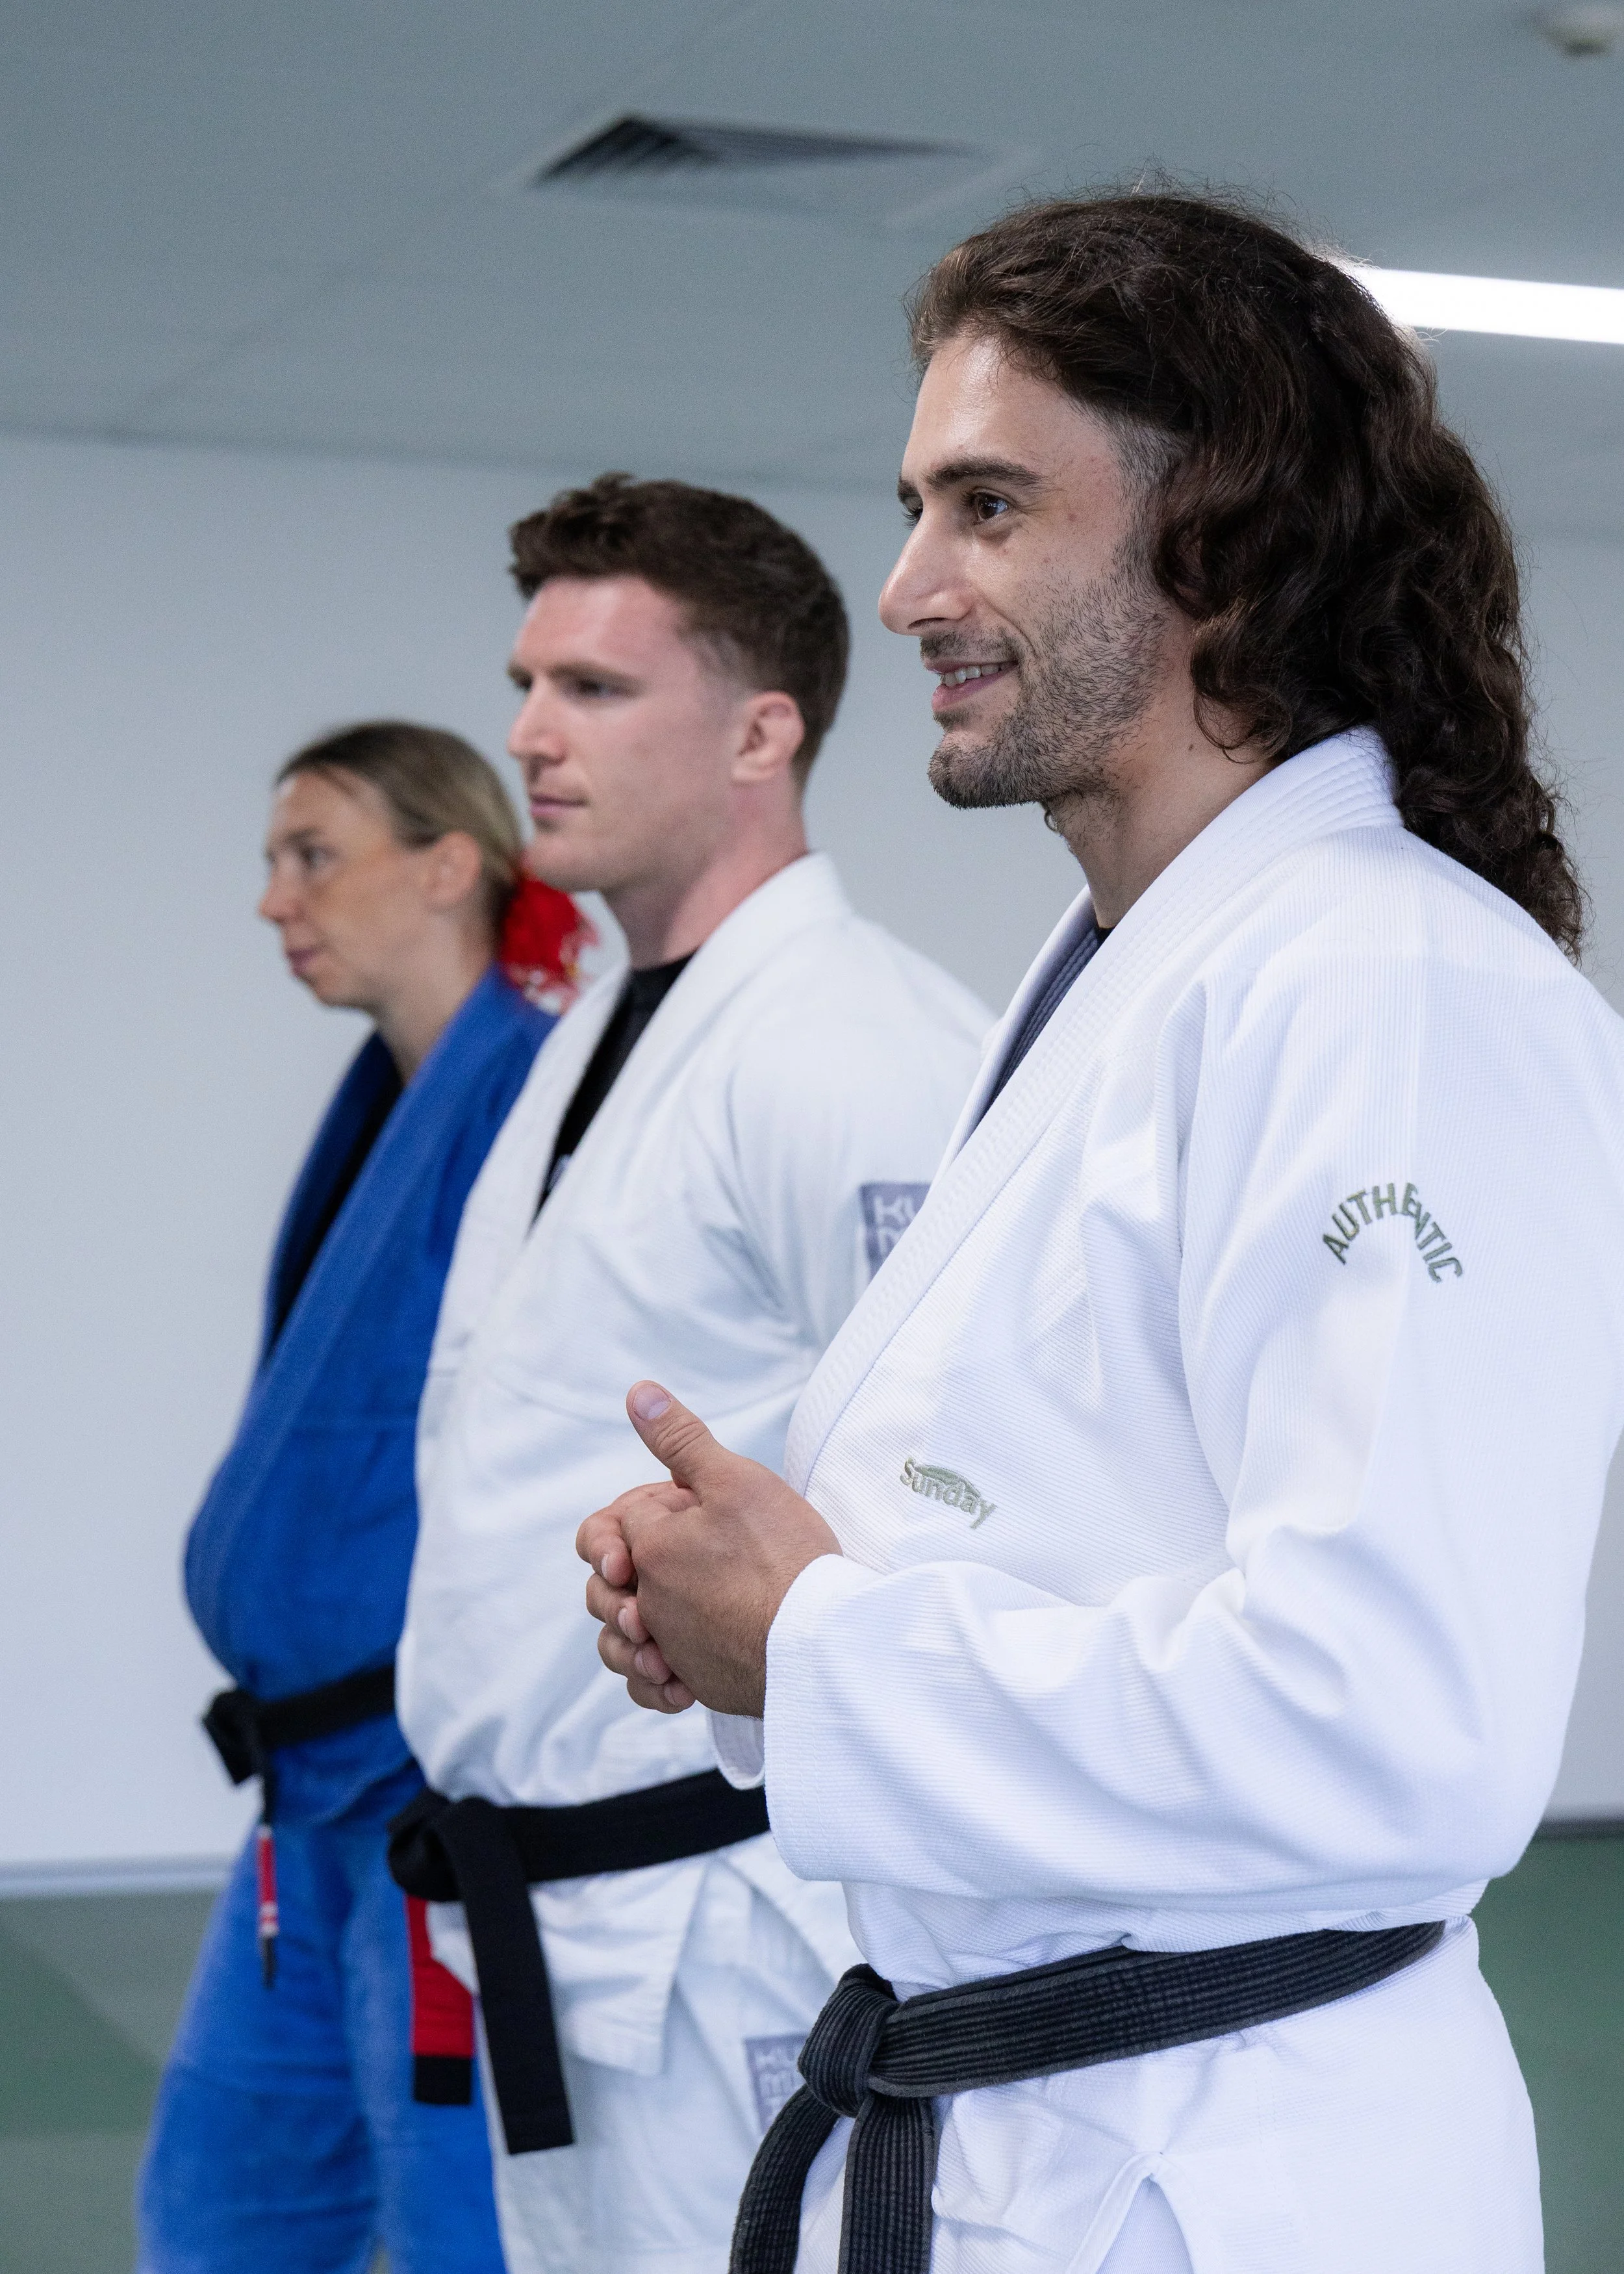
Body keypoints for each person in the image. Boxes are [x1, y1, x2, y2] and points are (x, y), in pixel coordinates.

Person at [579, 194, 1624, 2274]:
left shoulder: (1391, 989)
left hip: (1218, 2173)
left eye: (985, 506)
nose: (901, 591)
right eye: (915, 506)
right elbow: (1074, 1523)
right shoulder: (1123, 966)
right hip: (1030, 2132)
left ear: (1216, 545)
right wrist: (749, 1613)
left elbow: (1387, 1722)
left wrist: (818, 1639)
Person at [391, 475, 989, 2274]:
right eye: (525, 681)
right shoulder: (597, 1024)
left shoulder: (854, 1047)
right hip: (554, 1912)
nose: (526, 734)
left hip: (724, 1916)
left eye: (592, 687)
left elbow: (961, 1495)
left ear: (760, 727)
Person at [140, 721, 587, 2274]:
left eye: (312, 855)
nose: (276, 899)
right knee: (221, 2210)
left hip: (428, 1794)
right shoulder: (389, 1106)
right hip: (305, 1797)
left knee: (460, 2225)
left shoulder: (538, 1100)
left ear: (447, 861)